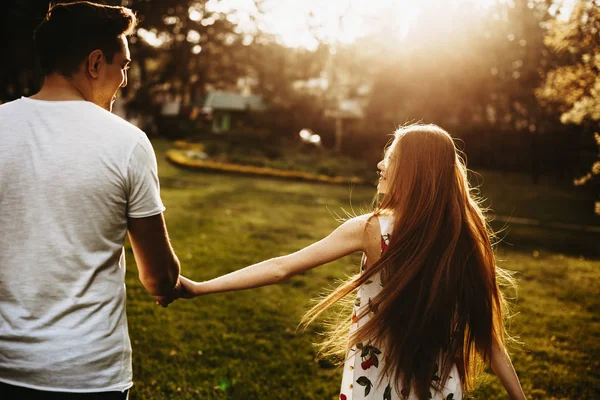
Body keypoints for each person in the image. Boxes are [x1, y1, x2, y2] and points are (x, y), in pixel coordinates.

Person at [160, 124, 527, 399]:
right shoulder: (465, 238)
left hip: (376, 380)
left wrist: (199, 288)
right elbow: (490, 340)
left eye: (393, 158)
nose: (380, 164)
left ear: (416, 171)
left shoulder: (372, 229)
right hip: (440, 388)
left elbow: (283, 267)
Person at [0, 2, 181, 399]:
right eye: (125, 66)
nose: (125, 82)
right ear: (95, 63)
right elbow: (159, 278)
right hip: (86, 374)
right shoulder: (126, 142)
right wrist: (171, 282)